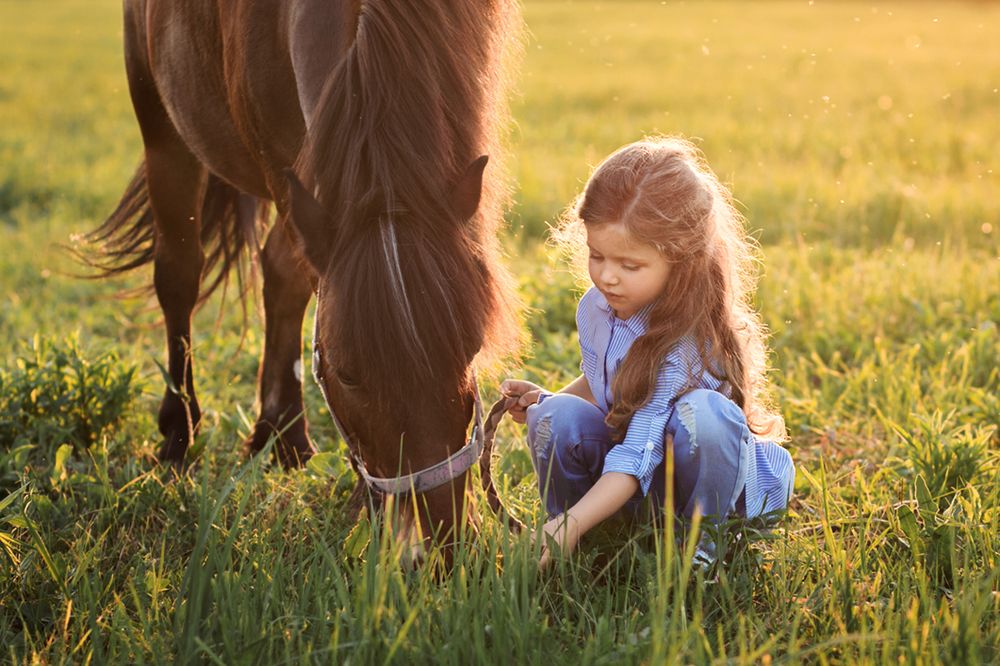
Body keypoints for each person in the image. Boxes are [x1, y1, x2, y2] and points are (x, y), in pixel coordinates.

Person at [501, 136, 795, 570]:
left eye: (629, 265)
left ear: (681, 261)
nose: (607, 276)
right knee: (556, 414)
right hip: (637, 479)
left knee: (706, 416)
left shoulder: (688, 342)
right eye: (596, 255)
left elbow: (636, 453)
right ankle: (578, 537)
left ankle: (701, 550)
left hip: (700, 485)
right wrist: (546, 402)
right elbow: (606, 384)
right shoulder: (597, 308)